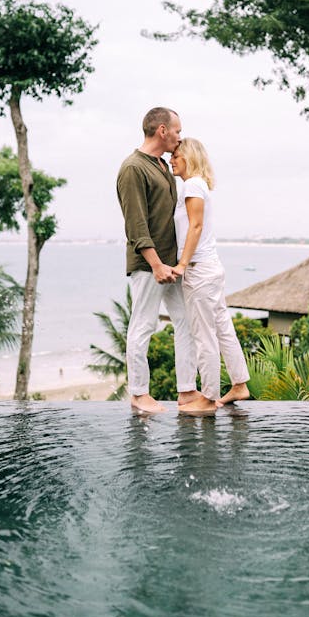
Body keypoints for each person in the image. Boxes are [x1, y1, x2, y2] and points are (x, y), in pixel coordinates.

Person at [116, 107, 200, 413]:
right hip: (149, 266)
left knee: (186, 323)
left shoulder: (163, 166)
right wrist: (155, 264)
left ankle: (187, 391)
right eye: (177, 130)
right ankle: (139, 394)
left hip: (172, 265)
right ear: (162, 130)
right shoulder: (133, 168)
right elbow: (136, 225)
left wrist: (176, 263)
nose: (180, 136)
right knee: (143, 326)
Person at [171, 138, 250, 412]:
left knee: (203, 335)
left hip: (199, 270)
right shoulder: (197, 185)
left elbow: (195, 226)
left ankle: (207, 397)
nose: (172, 160)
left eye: (177, 156)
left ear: (190, 159)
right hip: (210, 268)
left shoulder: (192, 185)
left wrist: (182, 265)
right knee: (222, 328)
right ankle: (239, 384)